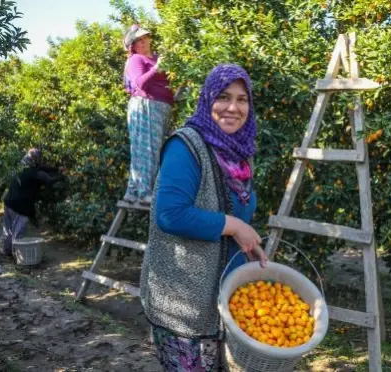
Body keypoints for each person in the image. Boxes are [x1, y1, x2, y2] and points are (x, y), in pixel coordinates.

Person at [140, 64, 268, 371]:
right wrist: (235, 225)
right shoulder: (186, 146)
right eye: (223, 97)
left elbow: (235, 214)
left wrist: (247, 247)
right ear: (207, 98)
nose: (233, 108)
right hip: (182, 304)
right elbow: (170, 215)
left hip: (218, 301)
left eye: (242, 99)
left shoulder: (240, 153)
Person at [122, 24, 174, 205]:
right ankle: (144, 193)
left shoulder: (157, 57)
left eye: (145, 38)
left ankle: (132, 191)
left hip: (161, 107)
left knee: (146, 149)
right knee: (146, 149)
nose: (143, 42)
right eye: (138, 41)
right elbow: (140, 83)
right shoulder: (136, 59)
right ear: (133, 46)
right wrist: (156, 69)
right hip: (146, 105)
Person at [2, 148, 65, 256]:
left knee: (8, 230)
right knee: (18, 231)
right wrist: (61, 176)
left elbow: (42, 168)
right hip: (20, 205)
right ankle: (17, 256)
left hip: (9, 201)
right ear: (36, 159)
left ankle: (7, 251)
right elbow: (49, 181)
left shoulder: (21, 166)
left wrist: (56, 169)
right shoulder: (34, 173)